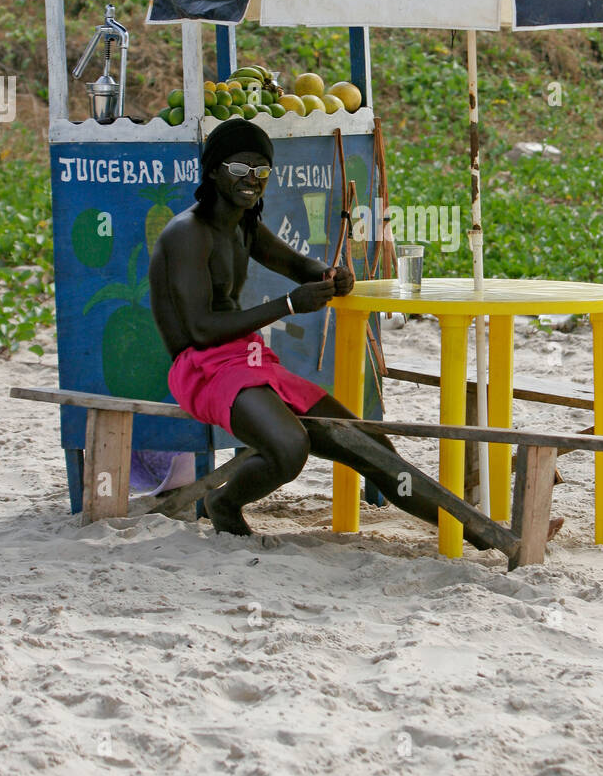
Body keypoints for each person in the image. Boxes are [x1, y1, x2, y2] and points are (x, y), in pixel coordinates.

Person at [148, 119, 495, 546]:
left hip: (247, 361)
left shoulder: (243, 224)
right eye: (240, 170)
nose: (251, 181)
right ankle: (224, 503)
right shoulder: (188, 233)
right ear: (214, 171)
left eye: (261, 171)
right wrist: (290, 304)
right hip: (202, 369)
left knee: (373, 448)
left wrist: (330, 275)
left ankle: (482, 535)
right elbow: (199, 330)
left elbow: (297, 265)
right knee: (290, 447)